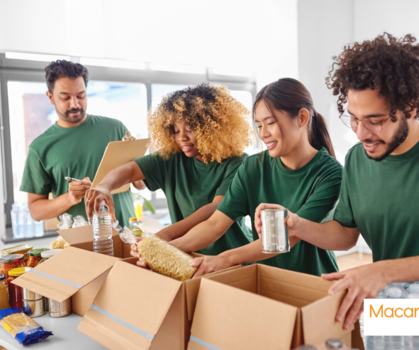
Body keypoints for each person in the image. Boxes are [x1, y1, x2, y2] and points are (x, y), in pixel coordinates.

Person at [255, 34, 419, 350]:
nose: (360, 133)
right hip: (393, 312)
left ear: (411, 107)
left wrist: (381, 271)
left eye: (375, 120)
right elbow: (345, 233)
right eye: (353, 119)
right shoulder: (358, 160)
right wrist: (298, 225)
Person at [168, 78, 343, 277]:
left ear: (302, 118)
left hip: (313, 281)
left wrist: (226, 258)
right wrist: (166, 247)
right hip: (266, 280)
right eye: (259, 125)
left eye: (270, 123)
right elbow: (215, 224)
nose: (264, 134)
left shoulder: (330, 173)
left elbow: (287, 236)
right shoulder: (253, 167)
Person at [85, 84, 253, 256]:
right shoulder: (172, 157)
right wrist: (104, 186)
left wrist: (161, 238)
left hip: (232, 256)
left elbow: (215, 209)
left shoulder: (238, 163)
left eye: (190, 129)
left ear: (213, 128)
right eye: (175, 130)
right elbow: (129, 170)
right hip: (187, 255)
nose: (182, 137)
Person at [20, 60, 144, 227]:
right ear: (50, 97)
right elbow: (35, 211)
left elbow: (141, 184)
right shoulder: (40, 148)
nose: (75, 104)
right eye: (65, 97)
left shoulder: (115, 128)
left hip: (126, 238)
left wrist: (136, 170)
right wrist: (69, 198)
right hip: (78, 245)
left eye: (81, 95)